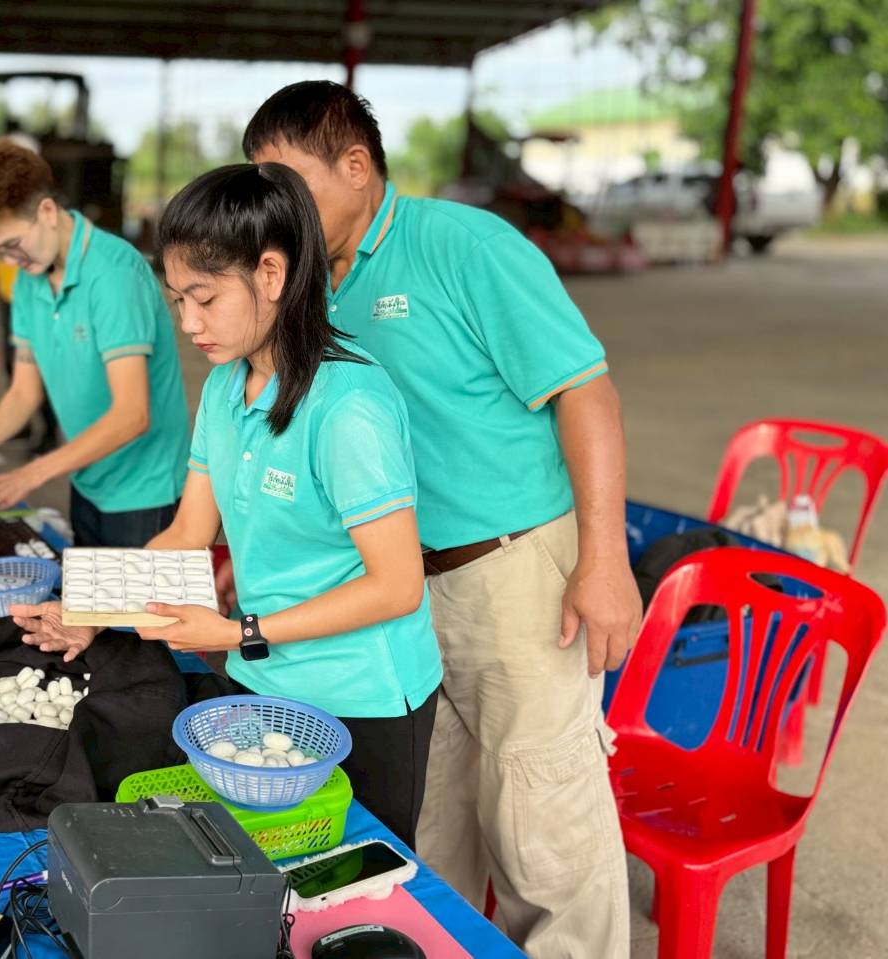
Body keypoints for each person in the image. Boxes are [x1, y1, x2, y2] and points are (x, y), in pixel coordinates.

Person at [242, 81, 637, 957]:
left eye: (288, 185)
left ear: (355, 166)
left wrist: (602, 558)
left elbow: (586, 391)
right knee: (427, 824)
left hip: (515, 573)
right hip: (400, 592)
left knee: (543, 828)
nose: (277, 212)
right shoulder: (308, 285)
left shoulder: (464, 246)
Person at [13, 163, 442, 847]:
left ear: (270, 275)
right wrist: (90, 610)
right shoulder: (224, 389)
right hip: (265, 676)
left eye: (203, 298)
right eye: (177, 299)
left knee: (342, 885)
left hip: (360, 698)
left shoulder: (348, 408)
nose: (187, 322)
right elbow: (186, 531)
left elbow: (396, 586)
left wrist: (238, 631)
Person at [0, 141, 189, 546]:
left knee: (137, 610)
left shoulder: (114, 276)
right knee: (90, 606)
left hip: (145, 492)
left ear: (47, 212)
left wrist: (30, 474)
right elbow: (23, 392)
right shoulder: (30, 279)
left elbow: (132, 415)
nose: (10, 261)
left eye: (12, 244)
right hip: (86, 476)